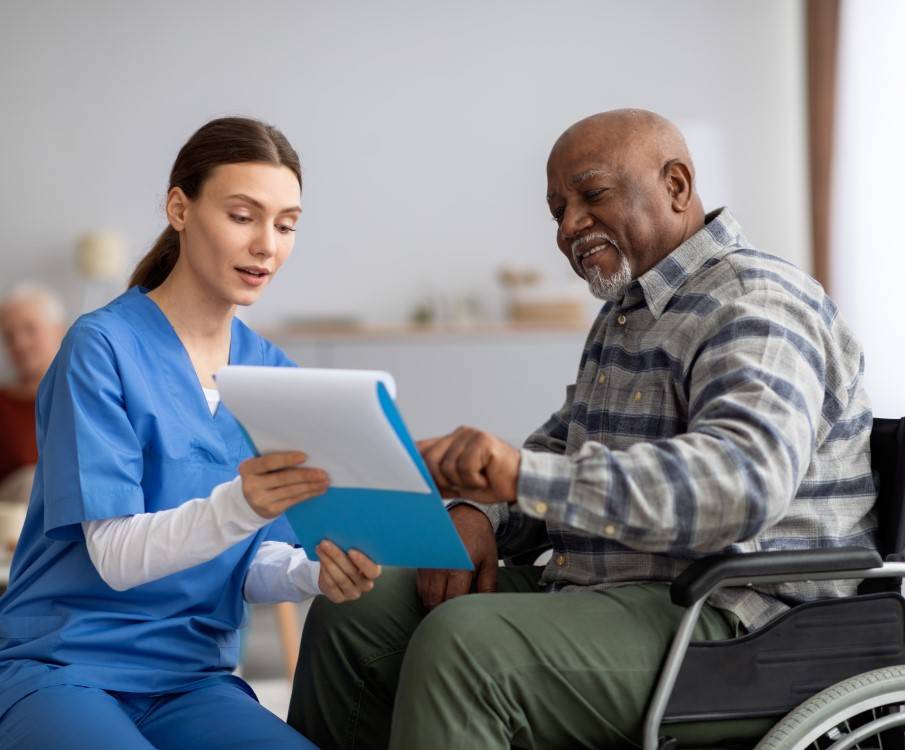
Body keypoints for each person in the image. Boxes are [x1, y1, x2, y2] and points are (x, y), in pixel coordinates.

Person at [288, 109, 879, 749]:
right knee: (360, 610)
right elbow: (563, 451)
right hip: (618, 590)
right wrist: (485, 514)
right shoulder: (627, 313)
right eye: (557, 210)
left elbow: (741, 484)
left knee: (466, 646)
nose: (570, 225)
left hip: (744, 622)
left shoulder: (757, 300)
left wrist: (519, 475)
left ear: (677, 186)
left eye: (591, 195)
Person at [0, 116, 382, 749]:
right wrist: (243, 502)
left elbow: (248, 559)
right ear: (180, 207)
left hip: (191, 679)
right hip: (65, 668)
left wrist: (317, 574)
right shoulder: (102, 348)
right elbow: (116, 557)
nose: (267, 245)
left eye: (286, 225)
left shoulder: (272, 374)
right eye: (243, 216)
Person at [0, 284, 65, 510]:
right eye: (9, 336)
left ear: (58, 330)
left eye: (29, 329)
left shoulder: (85, 398)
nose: (19, 343)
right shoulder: (3, 405)